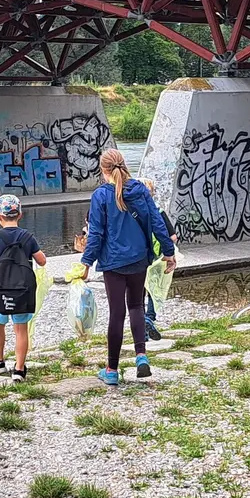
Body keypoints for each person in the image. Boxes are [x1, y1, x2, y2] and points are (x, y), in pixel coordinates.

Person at [80, 148, 175, 385]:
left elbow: (96, 234)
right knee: (136, 306)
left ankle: (111, 371)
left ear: (103, 170)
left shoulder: (100, 195)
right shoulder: (141, 190)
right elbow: (157, 222)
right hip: (139, 258)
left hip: (113, 262)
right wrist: (169, 252)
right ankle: (141, 356)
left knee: (116, 313)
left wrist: (86, 263)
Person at [0, 193, 47, 380]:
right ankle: (19, 369)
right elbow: (42, 261)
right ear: (20, 215)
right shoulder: (27, 237)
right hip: (23, 290)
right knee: (21, 328)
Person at [139, 177, 177, 340]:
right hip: (158, 259)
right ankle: (150, 318)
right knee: (154, 289)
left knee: (137, 294)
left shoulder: (131, 213)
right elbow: (173, 236)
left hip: (137, 258)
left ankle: (141, 327)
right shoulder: (159, 211)